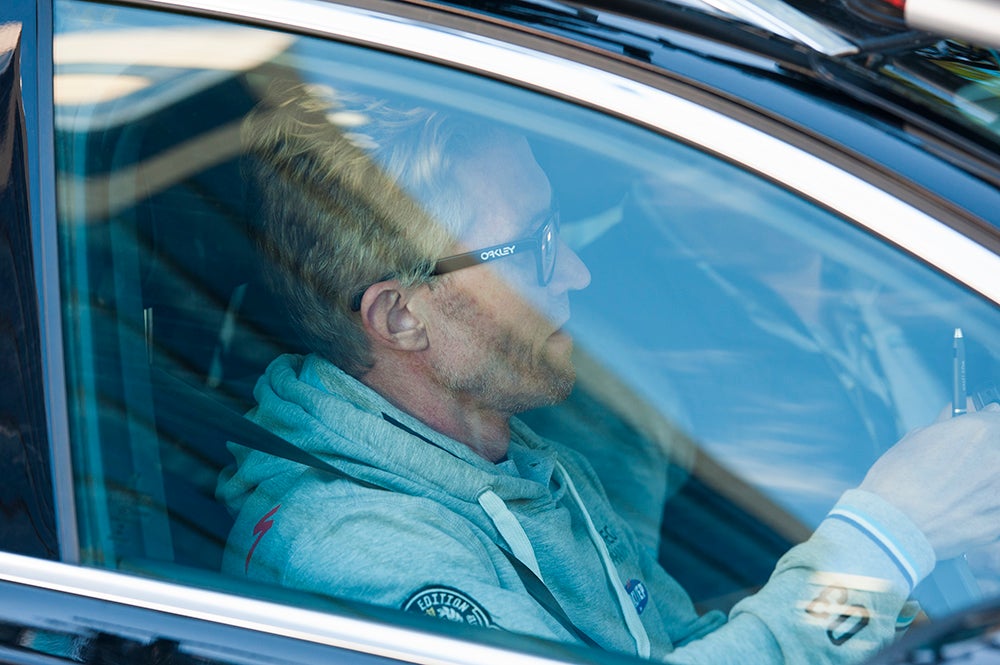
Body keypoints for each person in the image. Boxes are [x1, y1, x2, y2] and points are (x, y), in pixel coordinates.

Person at [217, 81, 1000, 663]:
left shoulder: (519, 462)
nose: (578, 272)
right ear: (400, 317)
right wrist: (883, 540)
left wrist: (912, 593)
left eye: (558, 229)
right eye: (534, 245)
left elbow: (684, 646)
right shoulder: (362, 558)